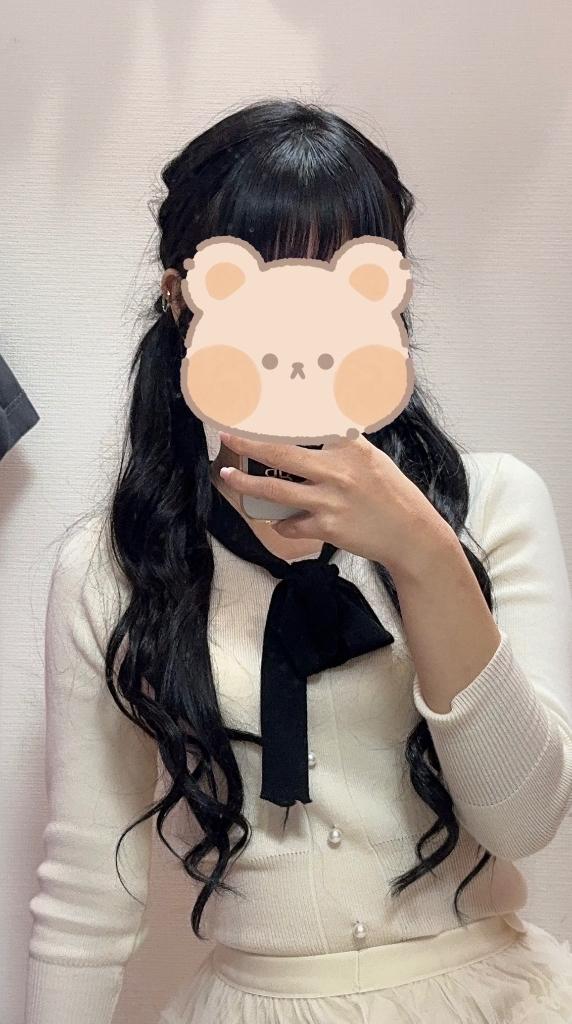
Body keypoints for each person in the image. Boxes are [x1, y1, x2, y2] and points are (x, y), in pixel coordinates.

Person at [25, 98, 572, 1024]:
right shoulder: (117, 566)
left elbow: (524, 820)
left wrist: (423, 554)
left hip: (493, 997)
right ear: (184, 298)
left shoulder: (491, 506)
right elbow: (86, 895)